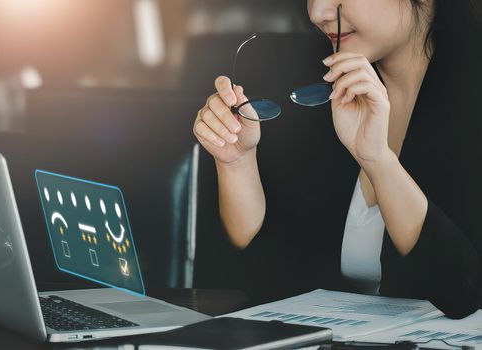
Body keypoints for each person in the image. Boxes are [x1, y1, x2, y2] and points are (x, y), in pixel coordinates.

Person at [193, 0, 482, 318]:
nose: (317, 13)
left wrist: (378, 161)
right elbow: (261, 271)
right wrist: (236, 162)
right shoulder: (319, 82)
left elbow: (464, 290)